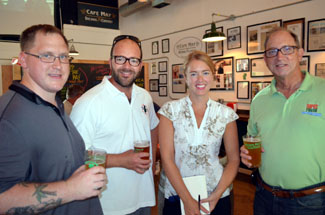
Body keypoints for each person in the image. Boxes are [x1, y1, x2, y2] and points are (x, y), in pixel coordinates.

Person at [0, 24, 107, 215]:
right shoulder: (9, 118)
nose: (58, 65)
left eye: (64, 57)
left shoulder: (54, 104)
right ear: (23, 60)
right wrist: (72, 189)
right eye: (46, 55)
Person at [70, 35, 159, 215]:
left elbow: (153, 127)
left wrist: (153, 158)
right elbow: (75, 156)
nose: (127, 66)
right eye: (120, 59)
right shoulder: (88, 103)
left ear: (140, 66)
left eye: (133, 60)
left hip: (144, 198)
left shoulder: (144, 97)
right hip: (107, 204)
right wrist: (121, 160)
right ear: (110, 62)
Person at [240, 27, 325, 215]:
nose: (279, 57)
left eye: (287, 49)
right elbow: (252, 140)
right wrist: (246, 154)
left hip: (312, 201)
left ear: (300, 53)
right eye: (272, 51)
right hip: (264, 197)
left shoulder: (322, 91)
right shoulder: (259, 100)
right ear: (265, 59)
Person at [159, 50, 239, 215]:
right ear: (186, 78)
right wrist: (187, 200)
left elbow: (233, 160)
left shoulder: (226, 114)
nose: (200, 79)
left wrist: (217, 195)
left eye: (205, 73)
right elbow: (167, 160)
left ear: (213, 76)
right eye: (194, 74)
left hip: (216, 196)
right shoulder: (170, 111)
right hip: (178, 194)